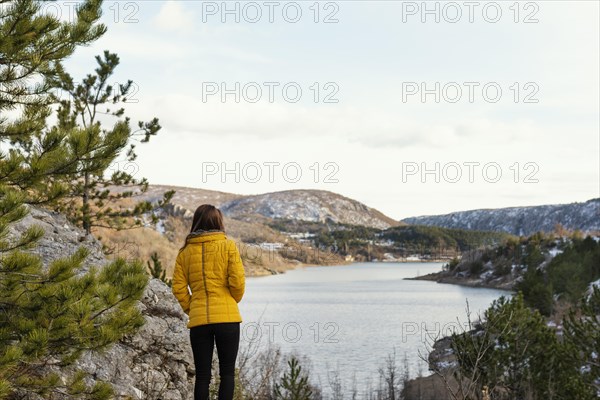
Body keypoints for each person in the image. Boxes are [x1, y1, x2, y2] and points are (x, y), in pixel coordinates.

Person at [172, 204, 245, 400]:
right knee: (227, 374)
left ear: (196, 222)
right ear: (218, 221)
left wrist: (191, 308)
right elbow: (237, 281)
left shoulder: (184, 252)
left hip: (199, 322)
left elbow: (178, 287)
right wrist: (232, 300)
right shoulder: (228, 246)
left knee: (203, 376)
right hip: (227, 319)